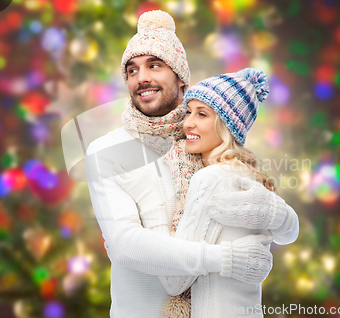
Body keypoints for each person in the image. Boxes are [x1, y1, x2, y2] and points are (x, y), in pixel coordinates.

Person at [85, 10, 278, 318]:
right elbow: (126, 244)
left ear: (180, 75)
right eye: (131, 70)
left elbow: (254, 229)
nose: (141, 77)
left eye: (155, 65)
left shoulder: (209, 141)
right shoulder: (105, 152)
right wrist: (225, 259)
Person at [115, 68, 299, 318]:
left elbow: (174, 280)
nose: (188, 122)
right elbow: (289, 231)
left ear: (227, 126)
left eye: (202, 114)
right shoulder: (249, 177)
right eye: (189, 111)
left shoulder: (210, 178)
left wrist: (149, 204)